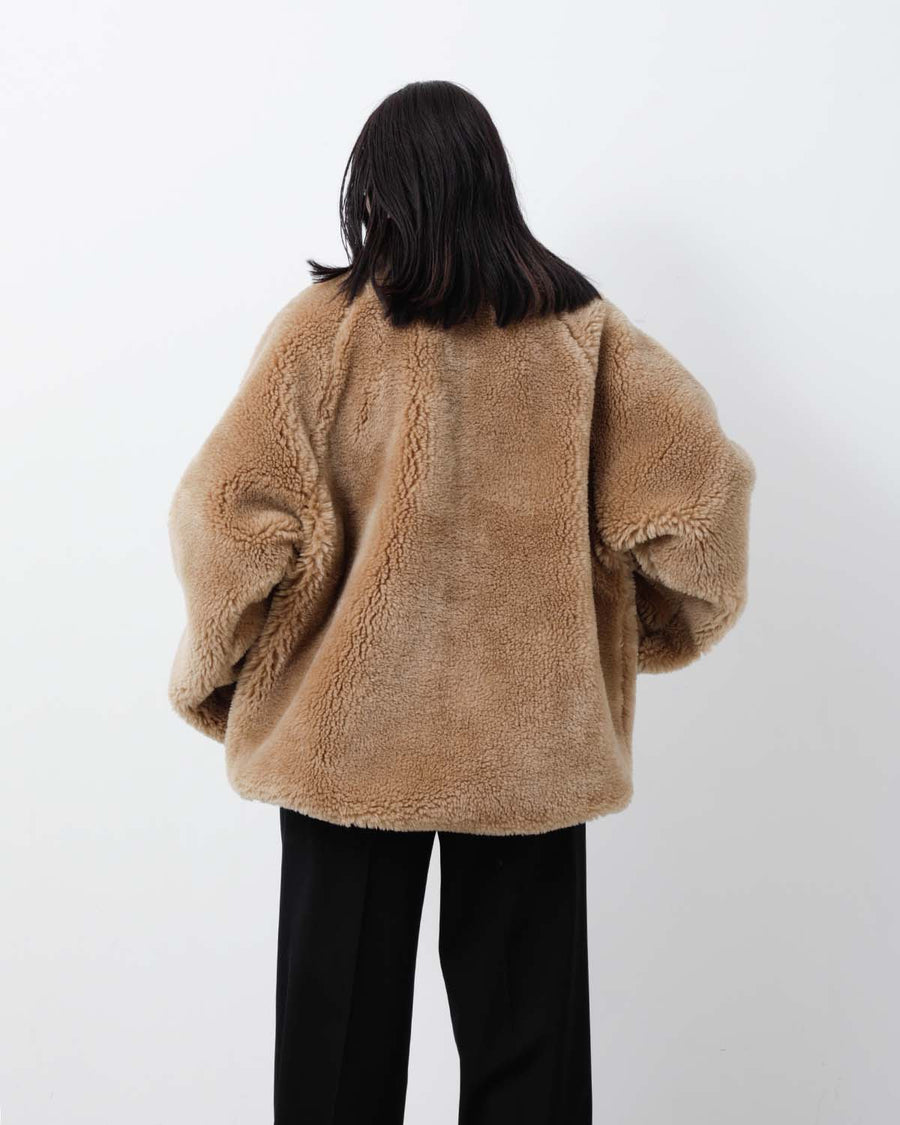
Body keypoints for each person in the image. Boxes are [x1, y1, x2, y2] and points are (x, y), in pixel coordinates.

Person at [166, 79, 755, 1125]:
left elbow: (227, 520)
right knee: (530, 1048)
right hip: (528, 746)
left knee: (334, 1051)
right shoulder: (583, 333)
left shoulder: (321, 334)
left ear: (375, 193)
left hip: (345, 744)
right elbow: (700, 499)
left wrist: (217, 675)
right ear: (492, 185)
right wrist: (643, 631)